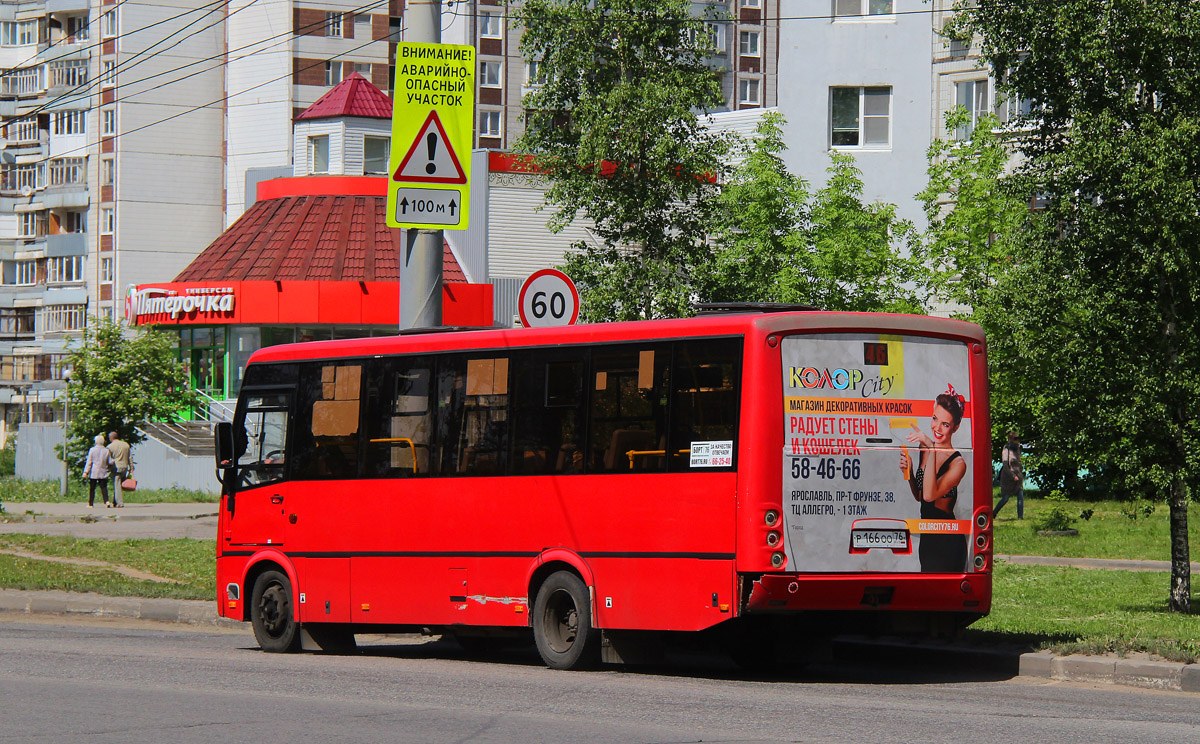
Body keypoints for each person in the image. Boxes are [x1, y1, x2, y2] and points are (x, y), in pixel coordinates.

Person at [899, 387, 968, 572]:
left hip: (948, 539)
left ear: (955, 427)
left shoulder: (958, 463)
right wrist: (910, 473)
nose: (936, 428)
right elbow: (920, 496)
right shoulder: (925, 449)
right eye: (935, 418)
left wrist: (931, 447)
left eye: (945, 424)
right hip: (928, 535)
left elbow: (931, 495)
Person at [993, 431, 1024, 519]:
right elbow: (1005, 465)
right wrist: (1012, 476)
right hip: (1008, 478)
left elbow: (1019, 462)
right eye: (1015, 438)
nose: (1017, 440)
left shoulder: (1017, 449)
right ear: (1010, 439)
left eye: (1018, 438)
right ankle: (994, 513)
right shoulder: (1006, 449)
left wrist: (1020, 474)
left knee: (1020, 496)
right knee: (1005, 498)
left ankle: (1020, 517)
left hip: (1018, 476)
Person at [83, 434, 114, 508]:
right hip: (103, 471)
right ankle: (107, 501)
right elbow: (110, 461)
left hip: (94, 471)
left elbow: (89, 461)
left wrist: (86, 472)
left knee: (92, 488)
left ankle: (91, 503)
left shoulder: (92, 450)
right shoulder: (106, 450)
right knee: (103, 487)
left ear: (96, 441)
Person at [107, 431, 131, 508]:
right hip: (125, 467)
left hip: (116, 467)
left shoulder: (110, 447)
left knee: (117, 484)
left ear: (111, 438)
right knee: (118, 485)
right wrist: (131, 467)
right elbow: (130, 457)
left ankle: (120, 502)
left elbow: (108, 459)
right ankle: (115, 501)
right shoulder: (126, 445)